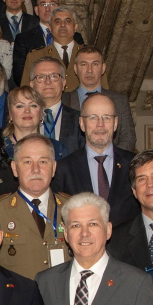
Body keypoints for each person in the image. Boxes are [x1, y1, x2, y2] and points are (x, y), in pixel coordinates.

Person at [0, 134, 69, 280]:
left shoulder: (74, 209)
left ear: (54, 168)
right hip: (17, 300)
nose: (36, 169)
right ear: (14, 168)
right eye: (27, 162)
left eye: (43, 162)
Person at [54, 93, 138, 226]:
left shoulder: (135, 165)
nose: (100, 124)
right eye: (93, 118)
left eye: (106, 117)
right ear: (82, 123)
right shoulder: (63, 169)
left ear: (115, 123)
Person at [64, 46, 136, 150]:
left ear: (103, 68)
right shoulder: (64, 100)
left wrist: (111, 159)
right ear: (75, 69)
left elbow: (129, 137)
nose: (89, 70)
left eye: (95, 64)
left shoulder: (120, 101)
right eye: (84, 64)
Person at [11, 0, 82, 84]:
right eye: (43, 4)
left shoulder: (75, 36)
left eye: (52, 4)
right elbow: (20, 75)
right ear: (36, 10)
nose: (48, 9)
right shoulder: (23, 39)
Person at [28, 56, 83, 155]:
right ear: (32, 84)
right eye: (41, 77)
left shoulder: (79, 120)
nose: (48, 81)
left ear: (63, 83)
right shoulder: (23, 118)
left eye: (54, 76)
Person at [21, 7, 84, 92]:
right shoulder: (35, 56)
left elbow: (103, 89)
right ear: (50, 28)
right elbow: (26, 92)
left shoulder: (88, 55)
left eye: (67, 21)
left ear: (75, 27)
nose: (62, 25)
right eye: (57, 21)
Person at [1, 86, 66, 158]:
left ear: (41, 113)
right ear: (10, 114)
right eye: (20, 106)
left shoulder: (57, 150)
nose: (27, 111)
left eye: (33, 106)